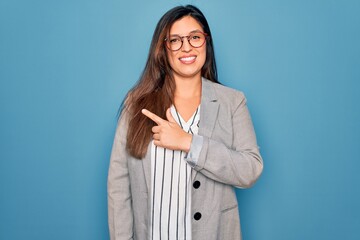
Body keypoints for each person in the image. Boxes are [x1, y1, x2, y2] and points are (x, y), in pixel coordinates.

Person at [107, 5, 263, 240]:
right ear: (163, 49)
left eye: (195, 37)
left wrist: (190, 143)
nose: (187, 47)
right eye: (176, 40)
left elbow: (250, 169)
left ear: (206, 43)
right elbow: (119, 184)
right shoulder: (137, 103)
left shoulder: (232, 102)